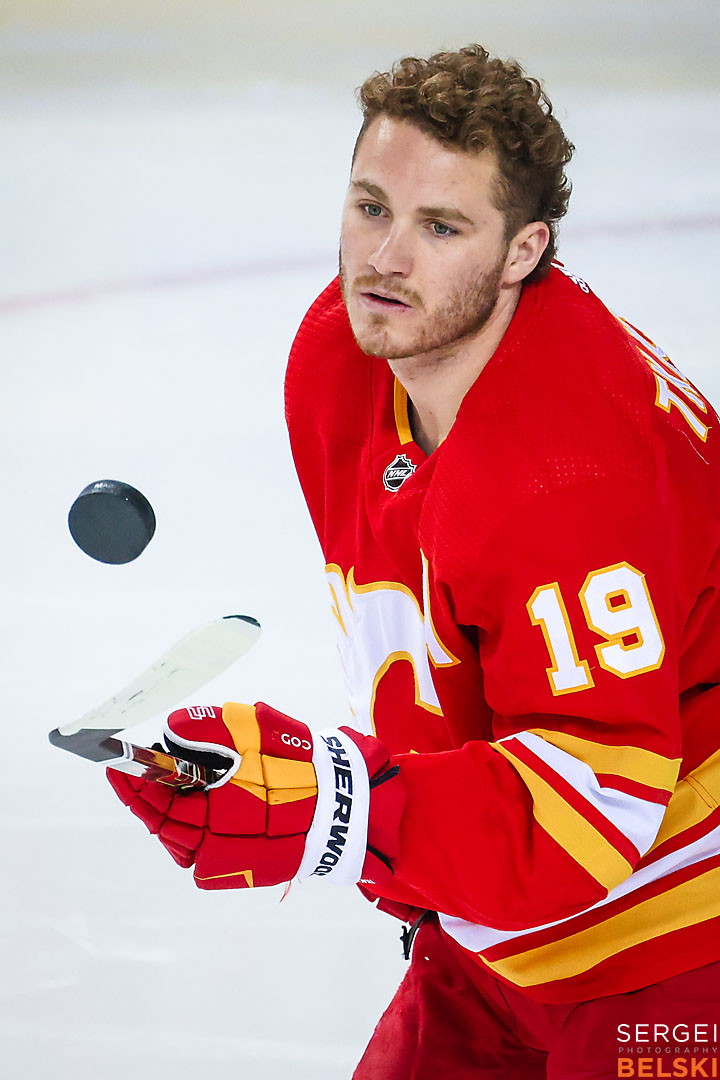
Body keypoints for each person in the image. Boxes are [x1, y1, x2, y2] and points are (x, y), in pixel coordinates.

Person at [108, 45, 720, 1079]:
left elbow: (600, 803)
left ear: (523, 251)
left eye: (441, 227)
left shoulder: (568, 473)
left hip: (675, 947)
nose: (384, 258)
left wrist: (342, 807)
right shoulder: (341, 358)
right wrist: (388, 827)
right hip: (491, 929)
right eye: (371, 207)